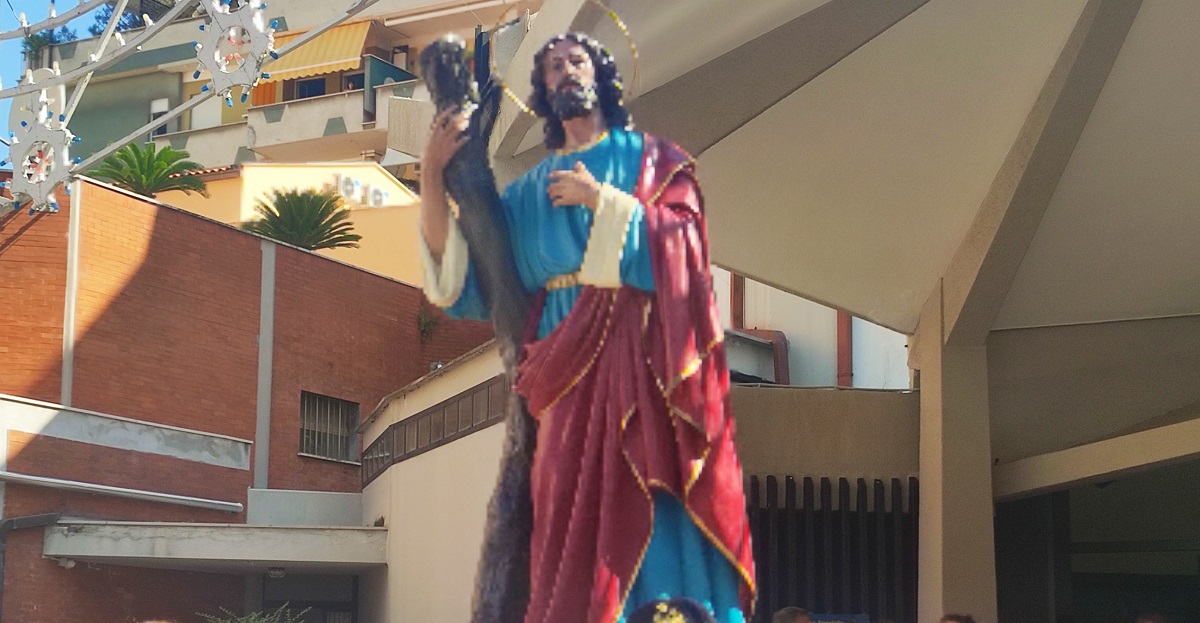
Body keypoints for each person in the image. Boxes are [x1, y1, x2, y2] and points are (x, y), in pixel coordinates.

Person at [419, 31, 755, 623]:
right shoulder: (526, 195)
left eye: (576, 61)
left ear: (601, 75)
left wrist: (604, 200)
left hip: (641, 364)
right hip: (562, 377)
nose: (566, 71)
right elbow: (468, 286)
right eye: (552, 67)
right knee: (565, 514)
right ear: (544, 91)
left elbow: (686, 248)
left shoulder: (654, 160)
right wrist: (430, 176)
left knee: (649, 488)